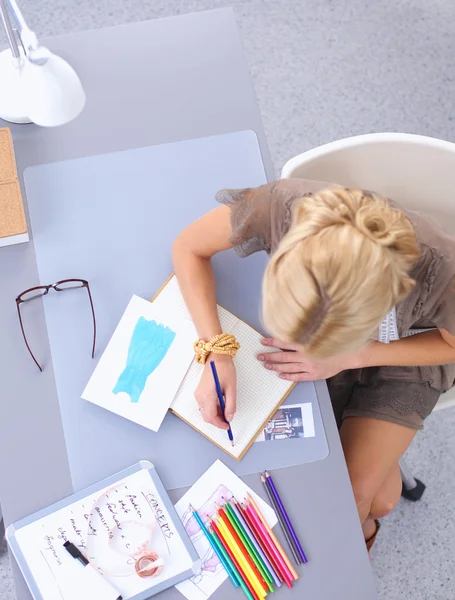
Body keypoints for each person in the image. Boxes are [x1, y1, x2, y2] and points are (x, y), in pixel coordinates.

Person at [172, 179, 455, 550]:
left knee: (353, 499)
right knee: (379, 500)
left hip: (410, 347)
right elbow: (188, 247)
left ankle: (361, 540)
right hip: (350, 349)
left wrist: (358, 354)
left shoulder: (445, 275)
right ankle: (367, 525)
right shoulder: (283, 208)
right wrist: (217, 349)